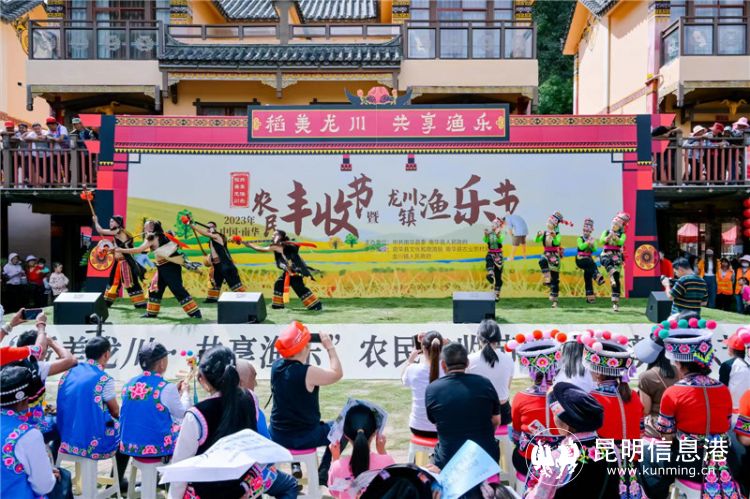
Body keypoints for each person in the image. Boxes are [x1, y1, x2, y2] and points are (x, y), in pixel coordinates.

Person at [169, 346, 298, 499]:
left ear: (202, 379)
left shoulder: (196, 415)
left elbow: (179, 469)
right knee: (289, 484)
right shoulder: (250, 398)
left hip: (208, 493)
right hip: (245, 487)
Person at [645, 320, 739, 498]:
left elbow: (666, 436)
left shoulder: (673, 392)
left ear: (680, 364)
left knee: (648, 456)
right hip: (724, 457)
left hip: (691, 460)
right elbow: (726, 425)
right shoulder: (722, 389)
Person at [270, 322, 342, 485]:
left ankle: (296, 465)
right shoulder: (308, 372)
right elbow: (337, 373)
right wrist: (330, 347)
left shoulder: (276, 367)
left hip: (277, 434)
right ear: (304, 348)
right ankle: (324, 471)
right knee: (342, 426)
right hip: (304, 436)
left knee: (291, 411)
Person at [56, 336, 127, 489]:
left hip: (66, 438)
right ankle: (117, 482)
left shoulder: (68, 373)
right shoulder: (104, 378)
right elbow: (115, 411)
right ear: (106, 354)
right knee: (126, 433)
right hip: (90, 441)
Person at [581, 330, 644, 498]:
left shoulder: (591, 398)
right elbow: (641, 430)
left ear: (598, 371)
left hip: (603, 466)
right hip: (631, 462)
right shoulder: (633, 396)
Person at [524, 382, 611, 499]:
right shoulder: (612, 449)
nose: (554, 419)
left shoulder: (558, 457)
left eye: (555, 415)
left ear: (565, 423)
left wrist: (529, 491)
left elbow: (539, 496)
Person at [1, 366, 72, 499]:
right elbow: (43, 486)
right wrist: (47, 474)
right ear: (26, 399)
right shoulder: (28, 435)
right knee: (62, 478)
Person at [425, 342, 500, 469]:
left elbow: (436, 422)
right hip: (485, 457)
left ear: (443, 365)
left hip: (448, 460)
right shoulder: (485, 383)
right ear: (467, 363)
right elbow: (496, 420)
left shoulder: (432, 389)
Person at [506, 330, 566, 481]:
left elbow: (517, 432)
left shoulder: (521, 397)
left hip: (529, 460)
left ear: (531, 370)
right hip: (562, 460)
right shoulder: (568, 395)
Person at [14, 319, 77, 459]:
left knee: (53, 414)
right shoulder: (38, 368)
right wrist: (52, 342)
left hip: (11, 426)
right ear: (39, 351)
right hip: (32, 429)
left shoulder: (7, 366)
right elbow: (71, 360)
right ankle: (53, 460)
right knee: (65, 421)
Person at [115, 220, 201, 319]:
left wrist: (121, 250)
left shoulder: (151, 237)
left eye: (146, 226)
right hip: (165, 267)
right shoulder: (163, 234)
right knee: (154, 289)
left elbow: (139, 250)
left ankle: (195, 313)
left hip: (169, 267)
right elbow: (145, 250)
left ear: (152, 228)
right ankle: (151, 313)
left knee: (177, 289)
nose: (144, 228)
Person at [120, 342, 189, 460]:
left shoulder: (128, 383)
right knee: (187, 428)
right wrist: (185, 392)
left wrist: (175, 393)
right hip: (157, 448)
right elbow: (183, 414)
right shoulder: (166, 387)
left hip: (129, 446)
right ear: (162, 363)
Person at [328, 404, 395, 498]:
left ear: (346, 435)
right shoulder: (387, 461)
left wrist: (335, 459)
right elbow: (392, 485)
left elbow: (334, 492)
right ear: (374, 433)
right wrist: (382, 451)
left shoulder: (337, 467)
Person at [243, 229, 321, 311]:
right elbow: (261, 249)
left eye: (275, 235)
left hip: (296, 270)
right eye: (273, 235)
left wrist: (285, 243)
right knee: (279, 284)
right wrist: (249, 245)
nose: (272, 236)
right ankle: (277, 306)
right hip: (287, 270)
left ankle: (315, 305)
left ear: (281, 236)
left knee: (298, 287)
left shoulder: (290, 245)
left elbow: (295, 248)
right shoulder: (275, 246)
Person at [93, 215, 147, 309]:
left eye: (112, 221)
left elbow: (100, 230)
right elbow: (117, 249)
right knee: (113, 282)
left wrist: (96, 221)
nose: (110, 223)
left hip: (125, 262)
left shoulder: (118, 231)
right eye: (110, 221)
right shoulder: (117, 233)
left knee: (131, 283)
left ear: (118, 223)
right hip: (117, 262)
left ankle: (140, 303)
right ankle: (107, 302)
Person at [466, 320, 513, 425]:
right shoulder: (508, 359)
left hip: (478, 411)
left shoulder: (469, 359)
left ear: (479, 338)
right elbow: (506, 388)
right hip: (503, 413)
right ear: (498, 338)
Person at [189, 219, 246, 303]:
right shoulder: (211, 240)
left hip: (226, 265)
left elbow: (205, 234)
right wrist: (209, 257)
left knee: (234, 284)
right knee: (215, 283)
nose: (208, 228)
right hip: (217, 265)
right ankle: (212, 299)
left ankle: (244, 299)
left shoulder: (217, 235)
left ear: (214, 228)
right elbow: (214, 252)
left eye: (210, 226)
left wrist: (193, 226)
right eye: (207, 227)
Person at [634, 332, 677, 439]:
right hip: (678, 425)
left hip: (656, 428)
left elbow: (645, 410)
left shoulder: (646, 376)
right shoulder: (679, 371)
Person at [402, 330, 444, 439]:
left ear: (423, 348)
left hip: (417, 427)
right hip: (443, 427)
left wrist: (410, 360)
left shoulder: (412, 369)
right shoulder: (448, 369)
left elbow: (404, 381)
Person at [535, 211, 568, 308]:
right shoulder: (544, 233)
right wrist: (537, 235)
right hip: (546, 253)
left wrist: (554, 237)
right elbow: (536, 241)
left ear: (554, 225)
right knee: (542, 261)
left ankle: (555, 301)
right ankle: (546, 277)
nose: (549, 224)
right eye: (548, 222)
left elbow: (557, 243)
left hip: (554, 255)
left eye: (551, 223)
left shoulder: (557, 234)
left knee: (555, 278)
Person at [599, 211, 629, 312]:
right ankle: (611, 276)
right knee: (605, 261)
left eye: (616, 224)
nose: (614, 225)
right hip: (606, 254)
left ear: (620, 226)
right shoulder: (606, 231)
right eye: (613, 223)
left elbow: (621, 242)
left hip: (616, 256)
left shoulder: (622, 234)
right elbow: (601, 241)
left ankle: (615, 303)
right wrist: (608, 237)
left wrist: (615, 237)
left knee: (616, 278)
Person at [719, 330, 750, 420]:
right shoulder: (747, 364)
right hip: (747, 412)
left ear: (731, 349)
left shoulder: (727, 365)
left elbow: (721, 390)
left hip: (732, 414)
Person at [236, 359, 269, 438]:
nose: (256, 384)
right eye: (253, 378)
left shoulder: (213, 406)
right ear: (240, 383)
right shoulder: (253, 411)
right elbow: (266, 440)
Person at [575, 217, 604, 303]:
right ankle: (597, 276)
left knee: (587, 276)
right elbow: (581, 247)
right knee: (591, 262)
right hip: (580, 259)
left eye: (588, 231)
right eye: (585, 231)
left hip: (588, 260)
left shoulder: (593, 240)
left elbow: (595, 250)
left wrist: (592, 245)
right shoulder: (580, 239)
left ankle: (590, 297)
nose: (586, 232)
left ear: (590, 231)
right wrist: (587, 242)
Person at [483, 218, 505, 301]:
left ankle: (497, 294)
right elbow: (485, 240)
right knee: (488, 258)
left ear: (498, 226)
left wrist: (498, 235)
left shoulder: (501, 233)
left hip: (498, 255)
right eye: (492, 225)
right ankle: (490, 274)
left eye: (495, 225)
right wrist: (485, 235)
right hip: (491, 252)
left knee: (498, 276)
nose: (493, 226)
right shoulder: (490, 233)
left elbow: (501, 240)